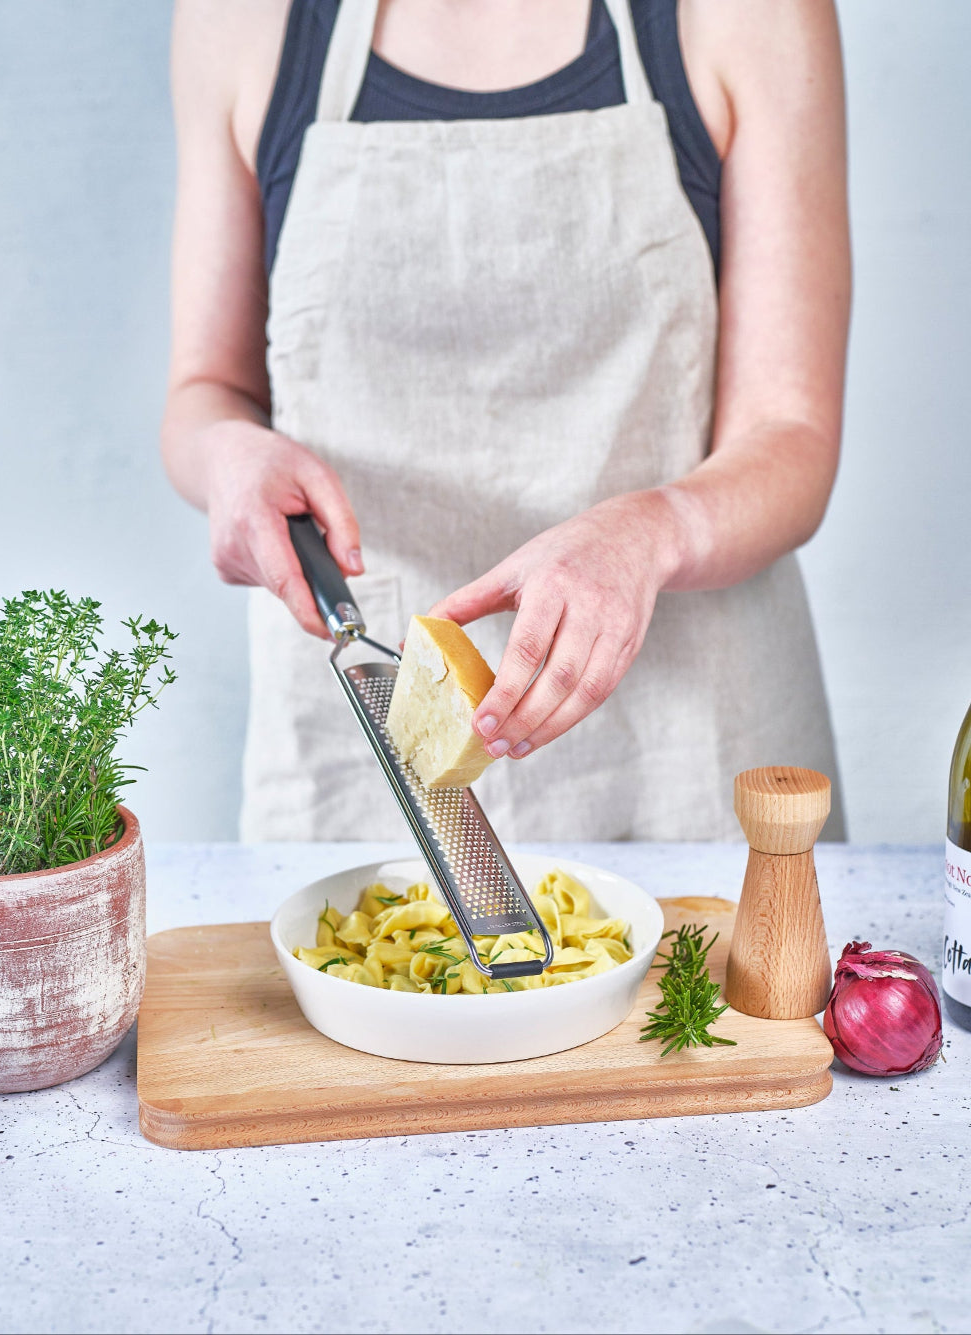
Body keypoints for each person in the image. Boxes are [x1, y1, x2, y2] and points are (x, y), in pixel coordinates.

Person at [162, 0, 849, 842]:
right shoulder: (238, 21)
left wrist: (653, 529)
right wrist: (227, 456)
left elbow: (791, 433)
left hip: (686, 754)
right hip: (364, 760)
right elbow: (206, 389)